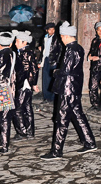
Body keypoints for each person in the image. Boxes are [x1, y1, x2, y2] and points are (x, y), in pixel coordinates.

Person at [41, 22, 96, 159]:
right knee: (78, 115)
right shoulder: (79, 48)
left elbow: (66, 70)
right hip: (74, 87)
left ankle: (57, 151)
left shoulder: (70, 49)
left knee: (62, 119)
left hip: (67, 88)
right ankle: (89, 142)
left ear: (64, 36)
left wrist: (55, 72)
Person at [12, 30, 39, 139]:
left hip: (24, 83)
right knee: (27, 108)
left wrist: (33, 83)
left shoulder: (26, 53)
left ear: (24, 42)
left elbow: (33, 69)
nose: (15, 43)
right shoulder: (23, 52)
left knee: (17, 108)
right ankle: (29, 132)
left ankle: (22, 132)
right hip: (26, 83)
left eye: (17, 41)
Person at [87, 21, 101, 109]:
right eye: (98, 30)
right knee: (93, 86)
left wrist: (99, 58)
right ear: (96, 31)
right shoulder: (95, 40)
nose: (100, 32)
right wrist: (90, 56)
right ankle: (95, 104)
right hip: (95, 67)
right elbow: (92, 51)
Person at [39, 22, 58, 103]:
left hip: (53, 60)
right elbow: (44, 49)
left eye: (53, 29)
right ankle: (46, 97)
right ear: (47, 30)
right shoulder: (45, 37)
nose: (52, 31)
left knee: (53, 79)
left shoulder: (56, 38)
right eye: (50, 30)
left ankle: (53, 98)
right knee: (45, 79)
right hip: (46, 59)